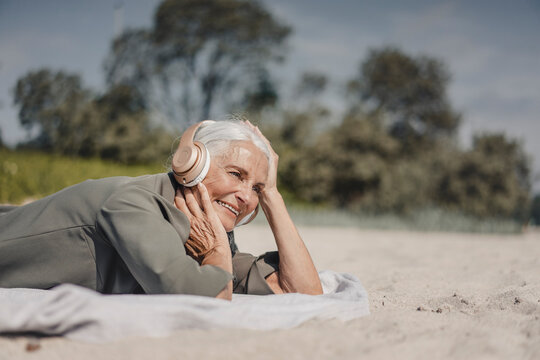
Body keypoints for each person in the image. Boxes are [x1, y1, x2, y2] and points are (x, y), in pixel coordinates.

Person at [0, 120, 322, 300]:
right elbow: (211, 299)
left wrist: (273, 195)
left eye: (255, 189)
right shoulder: (134, 203)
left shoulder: (201, 229)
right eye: (236, 174)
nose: (246, 198)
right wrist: (217, 252)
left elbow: (302, 289)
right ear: (192, 164)